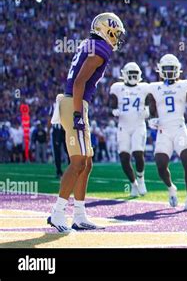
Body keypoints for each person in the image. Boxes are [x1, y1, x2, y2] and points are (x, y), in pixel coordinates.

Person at [47, 12, 125, 233]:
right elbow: (79, 82)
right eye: (115, 33)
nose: (117, 38)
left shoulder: (90, 44)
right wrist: (78, 114)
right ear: (106, 30)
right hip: (75, 102)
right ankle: (58, 211)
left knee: (87, 162)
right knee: (79, 161)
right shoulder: (101, 48)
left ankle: (79, 214)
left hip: (75, 102)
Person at [147, 54, 187, 210]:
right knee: (160, 165)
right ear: (160, 70)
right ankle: (171, 187)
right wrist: (151, 119)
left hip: (179, 129)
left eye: (172, 69)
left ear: (178, 70)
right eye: (167, 69)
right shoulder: (154, 87)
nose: (170, 72)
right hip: (163, 131)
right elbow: (152, 109)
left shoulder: (184, 85)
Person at [110, 62, 150, 196]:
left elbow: (151, 105)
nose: (133, 77)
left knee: (138, 153)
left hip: (139, 125)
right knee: (124, 157)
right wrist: (114, 110)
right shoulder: (117, 87)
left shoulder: (144, 88)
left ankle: (141, 179)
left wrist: (148, 111)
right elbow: (112, 103)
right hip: (123, 126)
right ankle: (133, 184)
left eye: (135, 74)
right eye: (130, 74)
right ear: (125, 75)